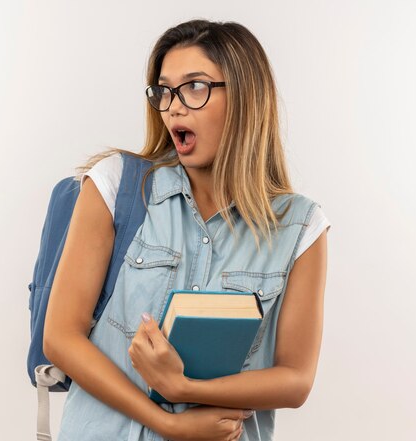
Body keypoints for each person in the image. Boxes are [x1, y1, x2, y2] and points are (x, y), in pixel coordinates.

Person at [43, 19, 331, 441]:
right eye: (165, 90)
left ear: (246, 99)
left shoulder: (300, 226)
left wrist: (185, 388)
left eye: (195, 87)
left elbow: (295, 379)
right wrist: (167, 421)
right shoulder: (116, 186)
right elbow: (61, 338)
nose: (173, 107)